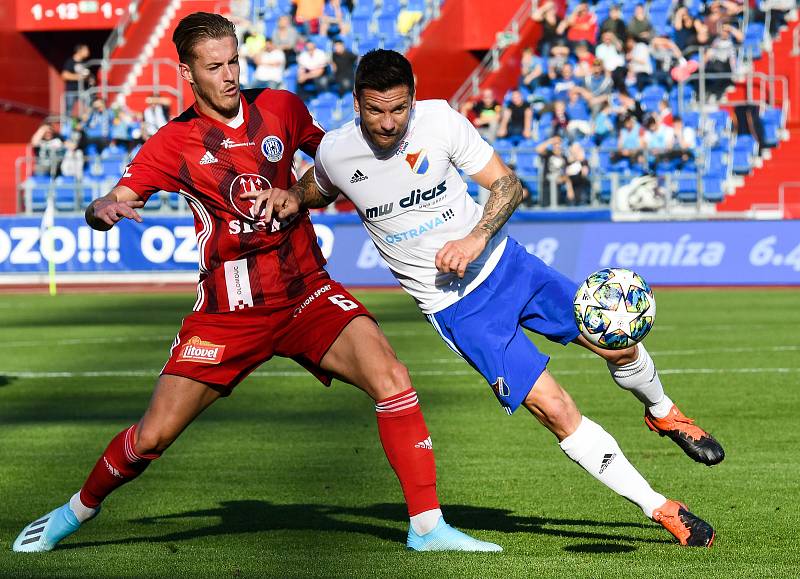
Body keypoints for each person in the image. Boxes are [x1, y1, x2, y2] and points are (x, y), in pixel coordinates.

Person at [12, 14, 499, 555]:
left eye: (234, 62)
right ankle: (73, 511)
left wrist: (381, 189)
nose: (228, 75)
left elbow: (336, 163)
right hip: (228, 313)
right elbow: (116, 200)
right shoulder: (173, 142)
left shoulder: (283, 108)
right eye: (214, 66)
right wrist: (103, 209)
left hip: (306, 292)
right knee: (152, 436)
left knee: (392, 377)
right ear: (186, 73)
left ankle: (427, 527)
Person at [256, 50, 724, 547]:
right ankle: (661, 507)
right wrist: (292, 195)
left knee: (617, 341)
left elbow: (506, 185)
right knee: (556, 408)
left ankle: (663, 411)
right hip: (460, 311)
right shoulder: (336, 150)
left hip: (509, 266)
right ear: (356, 104)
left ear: (413, 98)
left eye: (398, 108)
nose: (388, 123)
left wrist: (476, 237)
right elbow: (321, 185)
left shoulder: (439, 121)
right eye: (375, 110)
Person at [62, 44, 91, 116]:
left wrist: (89, 78)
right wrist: (79, 77)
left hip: (84, 90)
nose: (88, 52)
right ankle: (67, 126)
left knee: (90, 106)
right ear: (79, 51)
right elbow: (64, 75)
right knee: (68, 110)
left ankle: (87, 124)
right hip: (72, 90)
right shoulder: (70, 61)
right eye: (86, 50)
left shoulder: (85, 63)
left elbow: (87, 77)